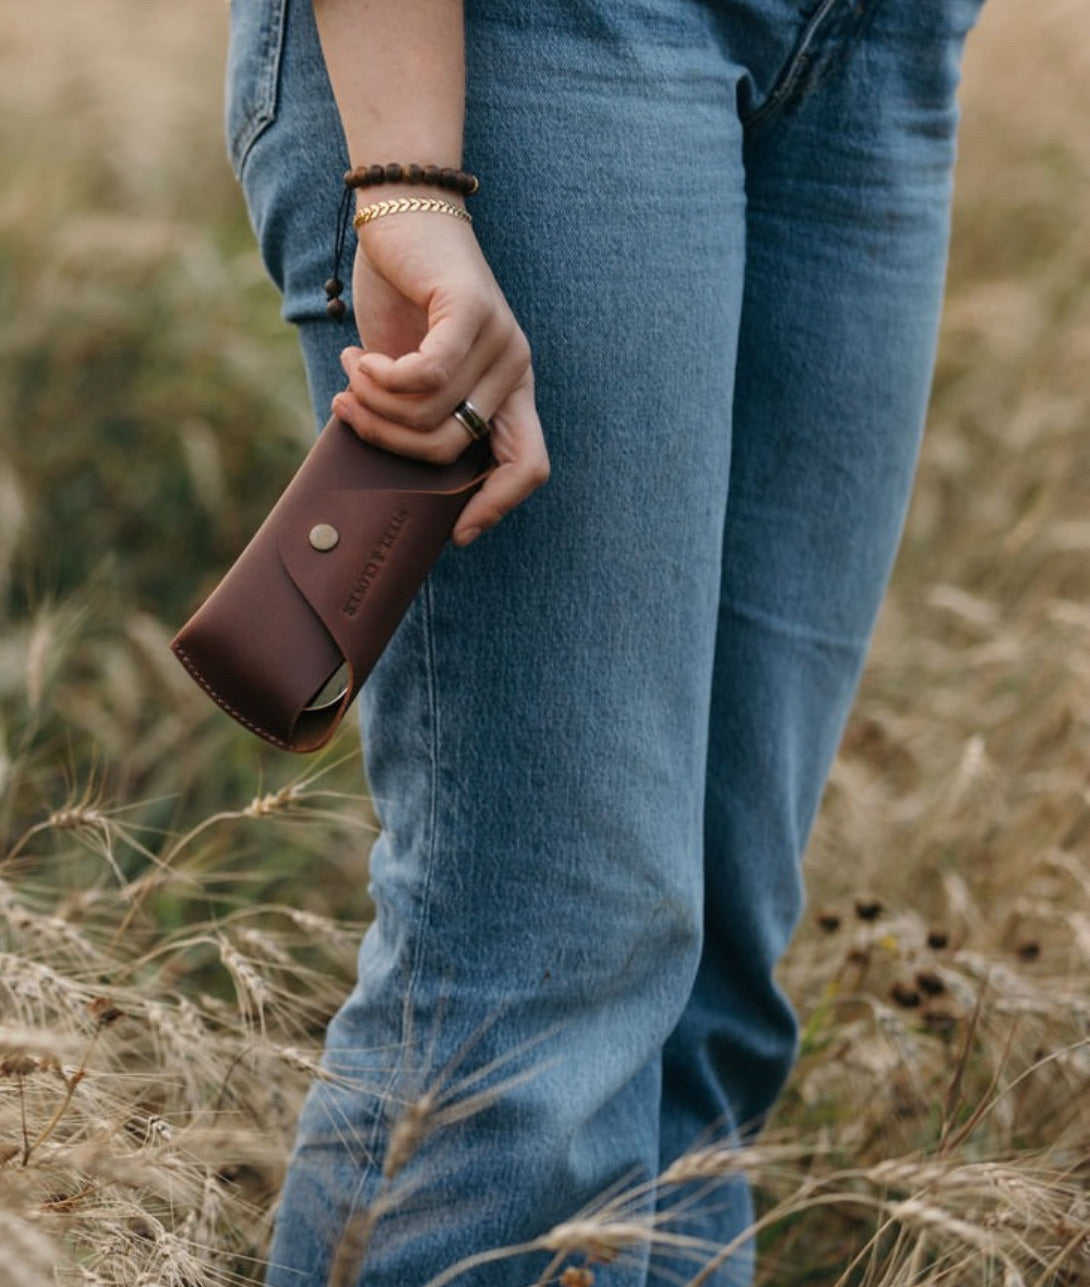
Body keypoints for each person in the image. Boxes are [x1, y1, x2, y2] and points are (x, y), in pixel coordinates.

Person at [226, 0, 986, 1282]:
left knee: (712, 999)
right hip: (543, 41)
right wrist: (408, 184)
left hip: (881, 54)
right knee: (533, 981)